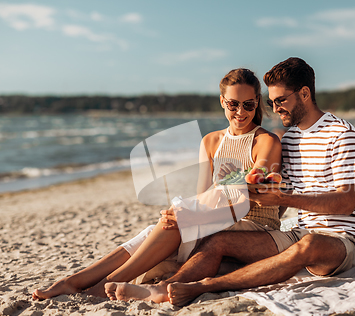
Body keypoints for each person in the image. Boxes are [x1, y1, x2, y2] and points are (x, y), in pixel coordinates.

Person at [103, 57, 355, 306]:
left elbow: (346, 203)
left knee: (310, 245)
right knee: (219, 242)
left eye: (281, 100)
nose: (275, 108)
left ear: (304, 93)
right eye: (271, 102)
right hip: (298, 233)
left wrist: (282, 199)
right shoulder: (290, 139)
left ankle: (202, 286)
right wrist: (257, 208)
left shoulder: (342, 135)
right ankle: (165, 286)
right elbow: (275, 193)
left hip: (344, 240)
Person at [32, 68, 282, 300]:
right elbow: (202, 194)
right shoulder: (210, 141)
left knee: (174, 224)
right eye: (233, 104)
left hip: (254, 223)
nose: (241, 112)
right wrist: (188, 212)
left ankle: (100, 285)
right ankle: (73, 280)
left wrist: (192, 216)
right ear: (221, 102)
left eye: (248, 104)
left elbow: (254, 187)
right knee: (159, 226)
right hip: (218, 215)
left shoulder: (265, 141)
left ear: (257, 102)